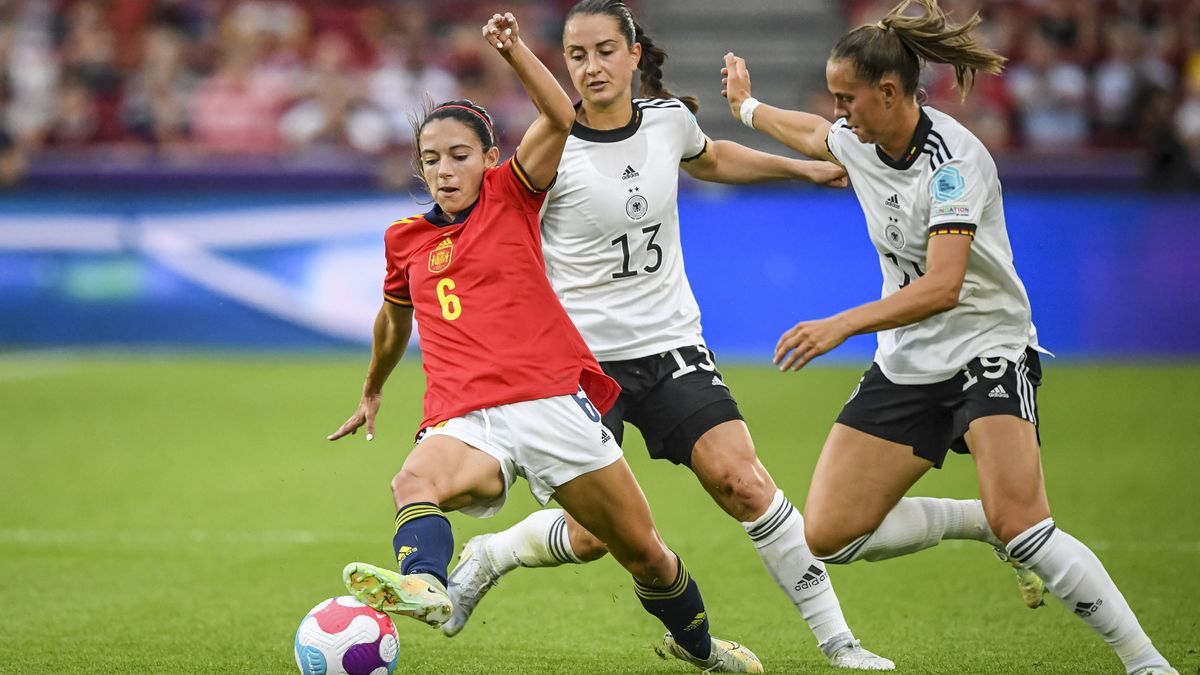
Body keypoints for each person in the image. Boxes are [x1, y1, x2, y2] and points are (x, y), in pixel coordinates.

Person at [440, 1, 901, 669]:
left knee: (742, 481)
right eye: (576, 56)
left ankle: (840, 642)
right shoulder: (551, 147)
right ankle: (494, 551)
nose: (591, 66)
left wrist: (801, 169)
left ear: (633, 54)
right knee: (597, 535)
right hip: (582, 365)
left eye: (604, 50)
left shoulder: (667, 122)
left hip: (671, 345)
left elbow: (710, 157)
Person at [720, 1, 1177, 673]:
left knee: (1027, 523)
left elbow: (944, 287)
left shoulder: (955, 162)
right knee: (830, 533)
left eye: (849, 97)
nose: (839, 111)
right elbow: (815, 132)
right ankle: (978, 519)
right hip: (909, 358)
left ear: (888, 91)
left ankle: (1146, 662)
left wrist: (840, 323)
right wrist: (747, 109)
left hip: (985, 346)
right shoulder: (859, 137)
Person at [327, 12, 762, 674]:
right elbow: (394, 319)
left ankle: (701, 648)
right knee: (414, 478)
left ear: (489, 159)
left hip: (553, 401)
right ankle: (428, 584)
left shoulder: (514, 194)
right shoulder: (404, 240)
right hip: (467, 413)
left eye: (459, 156)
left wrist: (513, 50)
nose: (444, 171)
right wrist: (374, 380)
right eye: (431, 160)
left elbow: (560, 115)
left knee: (640, 549)